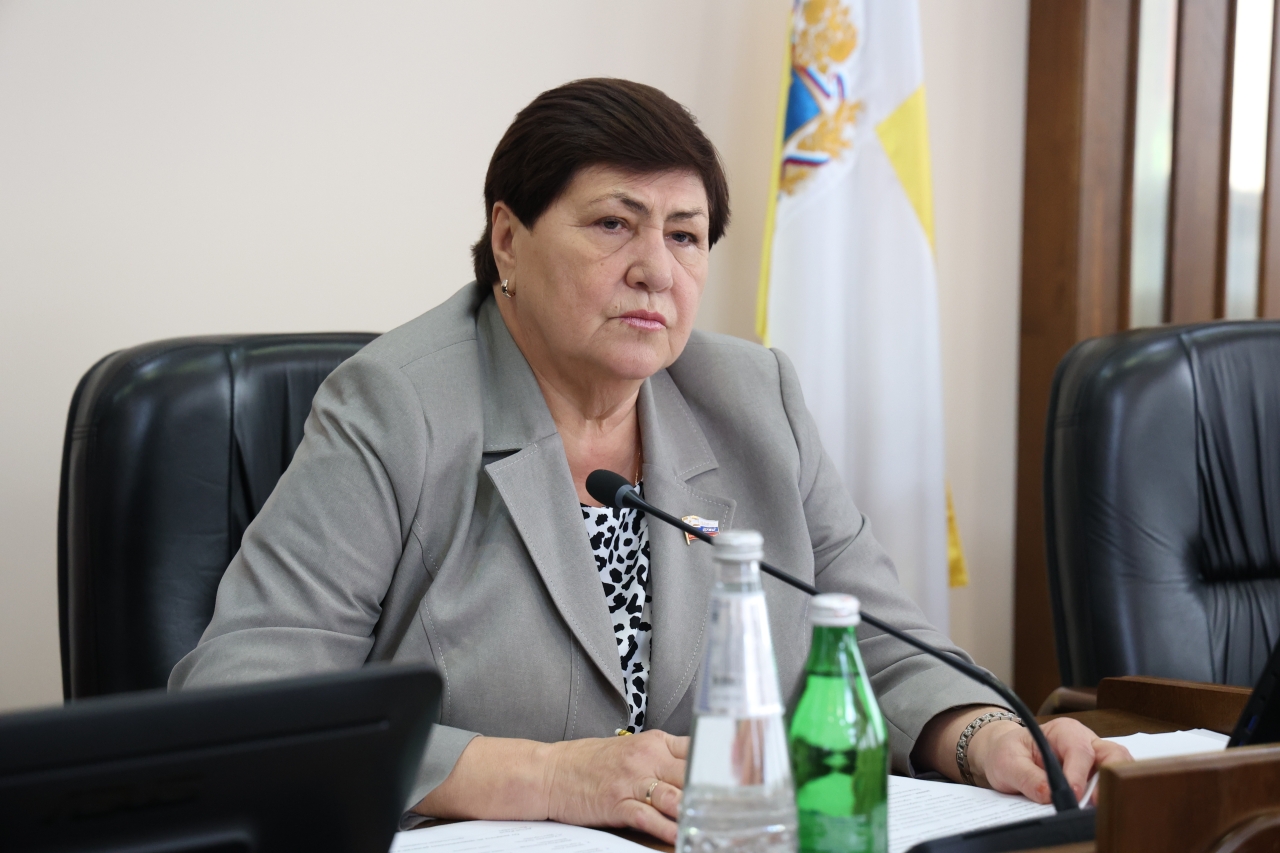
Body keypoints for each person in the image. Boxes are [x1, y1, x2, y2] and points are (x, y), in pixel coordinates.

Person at [170, 78, 1130, 843]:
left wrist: (984, 737)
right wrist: (546, 776)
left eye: (684, 235)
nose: (656, 270)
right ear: (507, 241)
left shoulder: (754, 397)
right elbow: (242, 699)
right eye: (613, 224)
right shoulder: (397, 408)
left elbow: (871, 637)